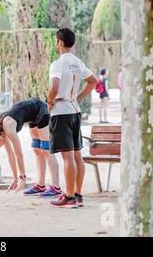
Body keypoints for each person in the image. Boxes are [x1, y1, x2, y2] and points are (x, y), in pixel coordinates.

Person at [47, 28, 97, 208]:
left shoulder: (57, 64)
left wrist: (49, 101)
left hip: (61, 111)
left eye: (56, 40)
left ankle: (68, 197)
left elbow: (54, 85)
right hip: (75, 111)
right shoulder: (77, 63)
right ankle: (77, 195)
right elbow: (93, 81)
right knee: (77, 155)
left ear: (59, 42)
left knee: (67, 157)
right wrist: (78, 97)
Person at [0, 97, 62, 196]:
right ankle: (41, 186)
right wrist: (15, 179)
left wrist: (22, 177)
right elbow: (10, 156)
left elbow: (19, 155)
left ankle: (56, 187)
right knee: (37, 150)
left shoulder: (8, 129)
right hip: (32, 116)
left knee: (46, 150)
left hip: (40, 109)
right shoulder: (2, 132)